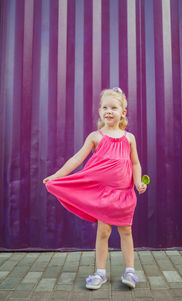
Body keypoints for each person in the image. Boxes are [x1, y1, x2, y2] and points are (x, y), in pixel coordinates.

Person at [43, 87, 147, 290]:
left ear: (122, 113)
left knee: (126, 231)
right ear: (100, 112)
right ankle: (100, 272)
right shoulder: (95, 137)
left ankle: (130, 271)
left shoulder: (129, 138)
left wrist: (137, 182)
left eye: (114, 107)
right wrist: (56, 176)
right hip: (103, 196)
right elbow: (76, 159)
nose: (109, 111)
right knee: (103, 232)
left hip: (124, 195)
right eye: (105, 107)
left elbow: (135, 163)